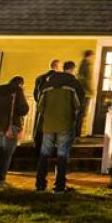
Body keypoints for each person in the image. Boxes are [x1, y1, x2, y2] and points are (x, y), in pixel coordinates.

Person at [35, 60, 81, 193]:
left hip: (48, 125)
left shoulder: (47, 88)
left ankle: (40, 184)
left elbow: (40, 107)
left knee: (44, 154)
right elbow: (77, 106)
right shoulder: (71, 88)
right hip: (65, 125)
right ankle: (59, 185)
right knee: (62, 155)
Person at [0, 76, 30, 190]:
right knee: (6, 154)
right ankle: (0, 180)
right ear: (20, 84)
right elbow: (23, 109)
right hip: (11, 126)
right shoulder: (17, 91)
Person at [33, 59, 60, 151]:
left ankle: (38, 143)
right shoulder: (58, 78)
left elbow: (35, 92)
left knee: (40, 125)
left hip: (41, 105)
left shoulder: (40, 77)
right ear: (57, 66)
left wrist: (39, 102)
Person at [76, 50, 95, 137]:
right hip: (84, 93)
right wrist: (90, 90)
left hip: (83, 92)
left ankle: (77, 133)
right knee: (81, 113)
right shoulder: (85, 65)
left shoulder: (84, 64)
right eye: (92, 56)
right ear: (89, 56)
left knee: (81, 113)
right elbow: (84, 79)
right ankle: (77, 133)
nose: (92, 58)